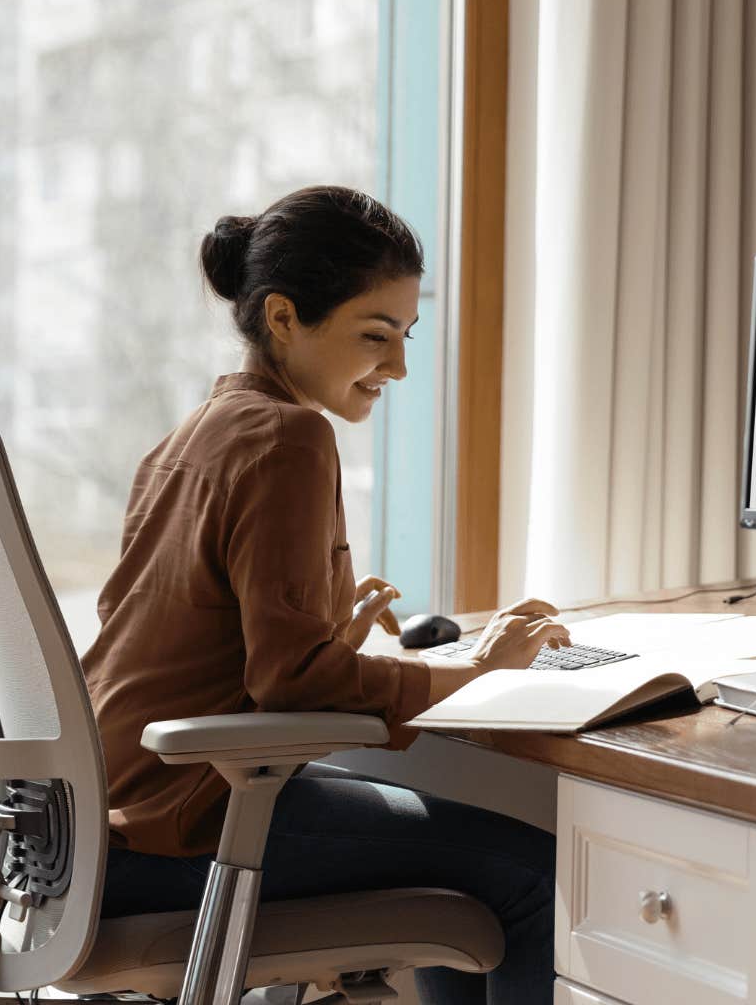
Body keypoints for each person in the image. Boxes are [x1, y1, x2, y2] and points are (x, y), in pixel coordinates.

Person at [82, 185, 569, 1003]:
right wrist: (481, 669)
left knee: (470, 866)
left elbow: (187, 647)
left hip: (101, 829)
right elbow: (293, 683)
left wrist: (331, 642)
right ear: (282, 318)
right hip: (188, 829)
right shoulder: (289, 436)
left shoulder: (191, 436)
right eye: (375, 335)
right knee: (535, 876)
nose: (400, 365)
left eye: (406, 335)